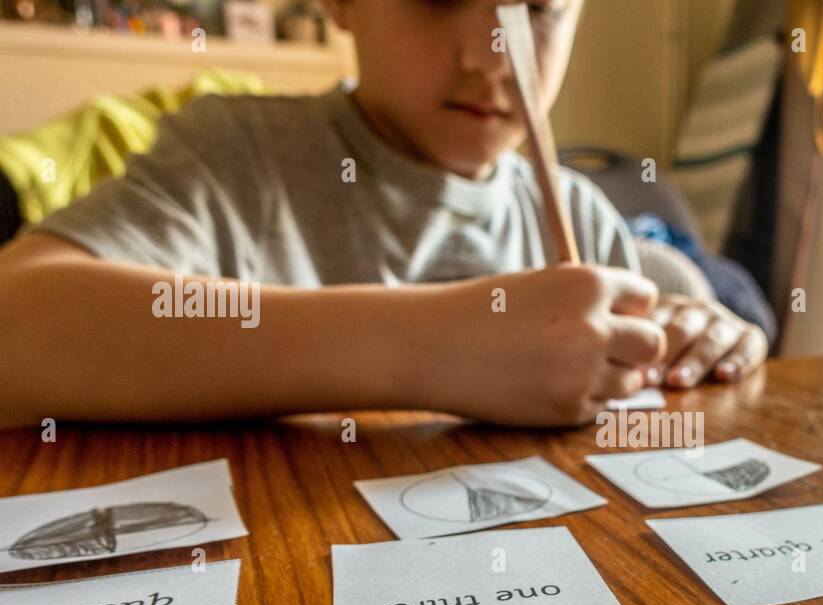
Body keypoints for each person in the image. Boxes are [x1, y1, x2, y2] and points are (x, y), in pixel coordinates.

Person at [0, 0, 768, 428]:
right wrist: (433, 346)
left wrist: (700, 338)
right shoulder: (235, 156)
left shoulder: (581, 214)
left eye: (538, 9)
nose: (492, 58)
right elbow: (16, 327)